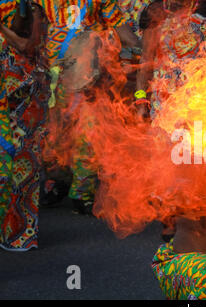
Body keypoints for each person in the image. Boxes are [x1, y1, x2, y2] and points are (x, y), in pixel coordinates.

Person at [35, 0, 139, 215]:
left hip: (91, 72)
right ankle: (57, 181)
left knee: (88, 133)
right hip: (53, 72)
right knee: (53, 134)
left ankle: (82, 193)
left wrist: (143, 51)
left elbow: (121, 26)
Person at [0, 0, 50, 251]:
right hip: (13, 97)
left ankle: (19, 233)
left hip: (24, 99)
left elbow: (25, 45)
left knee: (22, 169)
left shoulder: (30, 9)